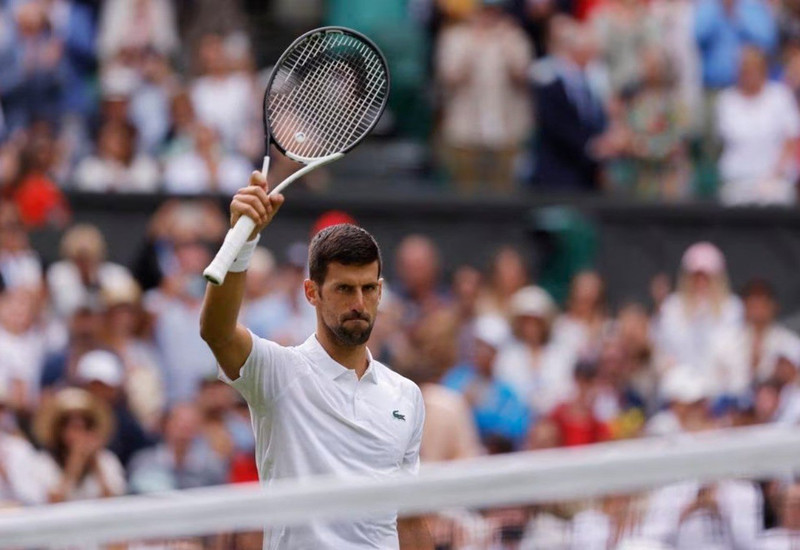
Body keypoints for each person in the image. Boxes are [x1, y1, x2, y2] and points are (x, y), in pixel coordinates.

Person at [199, 171, 431, 548]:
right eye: (343, 289)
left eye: (368, 289)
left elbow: (409, 518)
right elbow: (217, 330)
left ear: (380, 291)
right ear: (312, 293)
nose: (359, 303)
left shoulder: (406, 395)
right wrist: (242, 240)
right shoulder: (277, 373)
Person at [716, 47, 800, 205]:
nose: (748, 74)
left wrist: (774, 176)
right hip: (737, 180)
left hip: (775, 181)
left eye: (753, 69)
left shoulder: (781, 96)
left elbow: (791, 140)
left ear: (763, 70)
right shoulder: (726, 100)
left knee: (780, 197)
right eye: (744, 69)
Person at [33, 387, 126, 502]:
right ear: (59, 431)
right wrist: (74, 464)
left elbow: (115, 502)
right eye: (74, 428)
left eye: (86, 427)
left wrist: (95, 464)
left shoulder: (106, 460)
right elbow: (52, 502)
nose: (80, 434)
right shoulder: (44, 461)